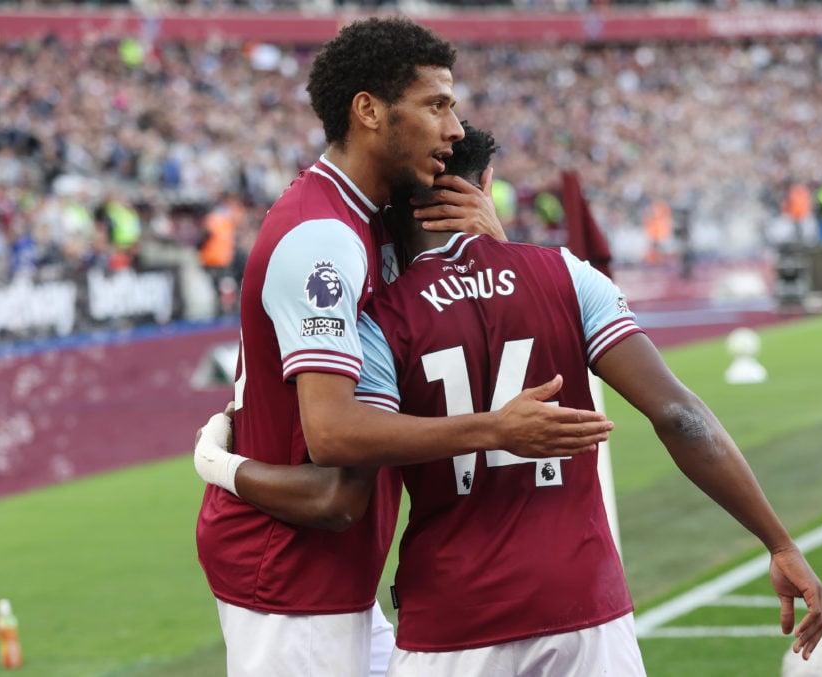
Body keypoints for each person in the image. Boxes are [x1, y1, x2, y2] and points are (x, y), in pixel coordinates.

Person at [197, 123, 822, 675]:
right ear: (486, 182)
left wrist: (222, 466)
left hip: (454, 617)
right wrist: (778, 542)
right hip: (585, 606)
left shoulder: (379, 319)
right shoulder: (566, 274)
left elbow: (344, 464)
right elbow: (681, 416)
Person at [194, 18, 613, 677]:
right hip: (289, 571)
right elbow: (330, 435)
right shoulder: (323, 237)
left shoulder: (367, 215)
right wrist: (496, 429)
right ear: (368, 111)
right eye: (436, 105)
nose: (453, 128)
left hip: (337, 562)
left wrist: (493, 240)